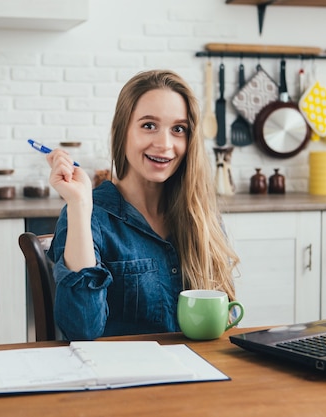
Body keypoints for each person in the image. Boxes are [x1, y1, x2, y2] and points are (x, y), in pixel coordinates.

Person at [46, 69, 240, 340]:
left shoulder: (201, 215)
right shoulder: (91, 216)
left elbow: (227, 318)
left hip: (199, 375)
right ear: (122, 131)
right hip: (123, 378)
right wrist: (79, 205)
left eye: (178, 129)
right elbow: (80, 331)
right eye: (149, 125)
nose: (164, 144)